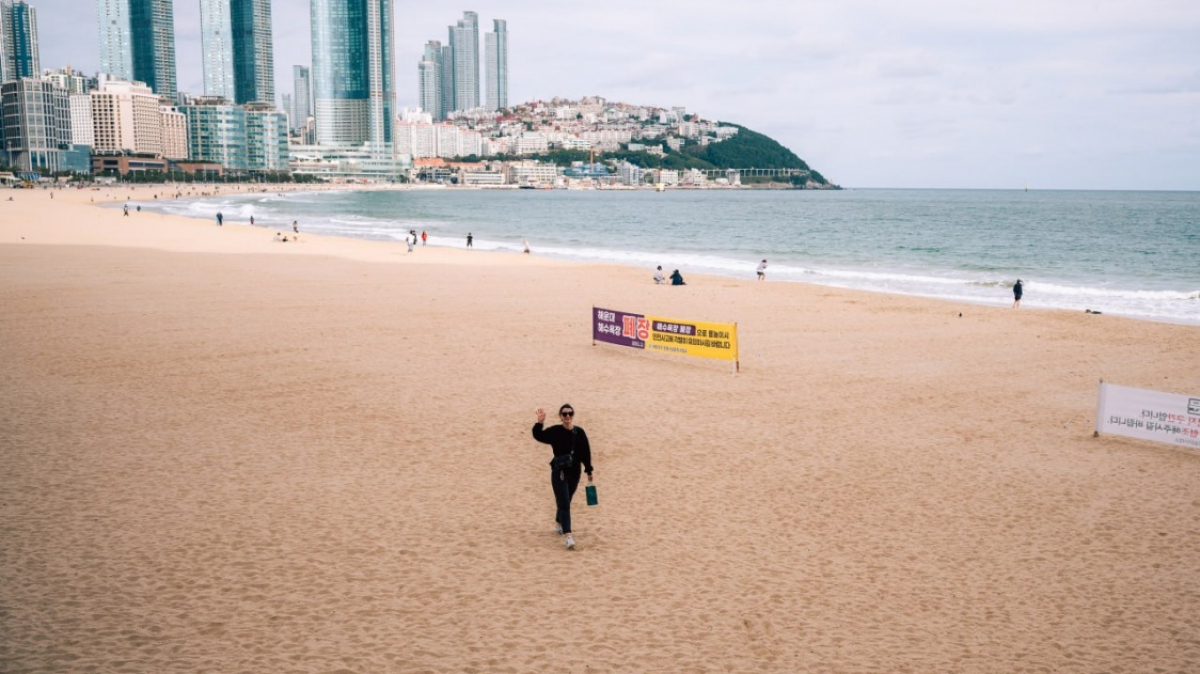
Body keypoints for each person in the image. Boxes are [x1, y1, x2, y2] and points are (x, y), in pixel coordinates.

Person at [532, 404, 594, 550]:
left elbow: (586, 452)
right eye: (564, 414)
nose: (567, 416)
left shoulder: (579, 432)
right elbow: (538, 435)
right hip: (558, 472)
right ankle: (568, 536)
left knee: (567, 500)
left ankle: (559, 523)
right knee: (564, 502)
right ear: (560, 416)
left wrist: (589, 471)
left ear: (573, 415)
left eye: (570, 414)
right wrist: (540, 422)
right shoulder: (555, 431)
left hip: (575, 473)